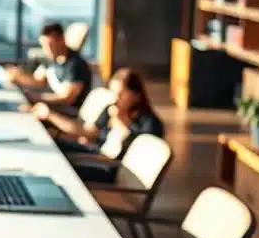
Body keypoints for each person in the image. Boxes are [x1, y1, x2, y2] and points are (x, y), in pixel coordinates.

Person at [33, 68, 165, 181]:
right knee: (54, 144)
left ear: (137, 95)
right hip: (96, 152)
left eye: (120, 94)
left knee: (64, 167)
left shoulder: (150, 124)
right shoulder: (112, 107)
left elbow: (137, 157)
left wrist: (122, 125)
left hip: (111, 167)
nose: (115, 98)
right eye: (113, 93)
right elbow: (88, 132)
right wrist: (51, 117)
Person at [6, 22, 93, 113]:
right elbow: (38, 80)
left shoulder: (76, 65)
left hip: (69, 113)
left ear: (62, 40)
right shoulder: (52, 58)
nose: (46, 50)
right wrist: (18, 77)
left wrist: (35, 98)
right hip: (52, 107)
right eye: (43, 46)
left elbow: (67, 98)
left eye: (50, 45)